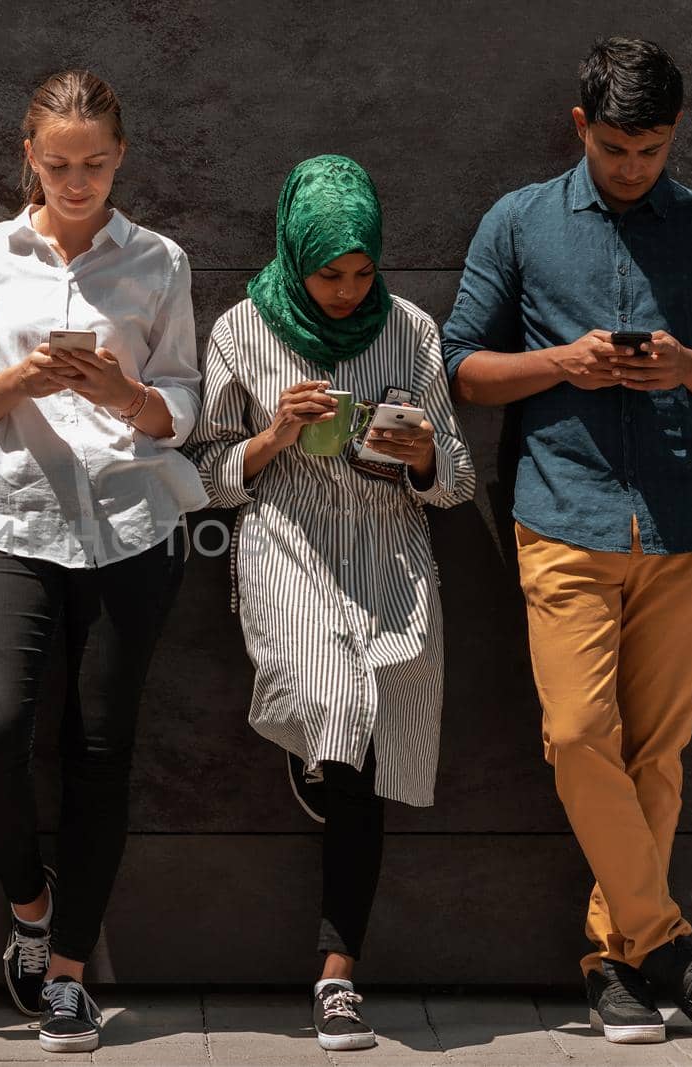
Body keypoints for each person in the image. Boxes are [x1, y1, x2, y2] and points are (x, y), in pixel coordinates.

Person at [444, 36, 692, 1046]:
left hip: (685, 524)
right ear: (580, 125)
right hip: (561, 515)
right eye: (618, 148)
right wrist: (561, 361)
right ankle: (670, 940)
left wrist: (685, 364)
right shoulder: (520, 222)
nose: (635, 166)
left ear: (677, 133)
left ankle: (615, 960)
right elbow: (461, 366)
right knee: (580, 734)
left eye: (654, 148)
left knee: (659, 758)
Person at [0, 69, 205, 1055]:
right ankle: (30, 903)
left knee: (99, 751)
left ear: (121, 156)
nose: (75, 181)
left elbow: (184, 408)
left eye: (92, 164)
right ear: (26, 158)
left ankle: (72, 975)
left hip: (130, 525)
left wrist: (122, 391)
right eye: (56, 164)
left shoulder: (157, 260)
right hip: (8, 519)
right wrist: (23, 377)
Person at [187, 154, 473, 1052]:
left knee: (373, 734)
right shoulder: (241, 328)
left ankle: (338, 961)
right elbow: (206, 476)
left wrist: (420, 452)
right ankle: (337, 964)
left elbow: (457, 481)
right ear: (293, 256)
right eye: (329, 274)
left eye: (362, 272)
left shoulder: (414, 330)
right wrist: (274, 432)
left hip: (389, 549)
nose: (349, 291)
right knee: (344, 712)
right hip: (290, 544)